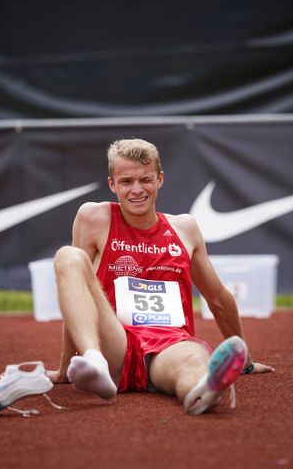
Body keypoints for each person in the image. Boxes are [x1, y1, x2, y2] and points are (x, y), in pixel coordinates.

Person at [47, 138, 274, 414]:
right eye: (127, 181)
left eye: (146, 179)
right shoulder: (94, 217)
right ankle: (94, 361)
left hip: (168, 345)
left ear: (160, 179)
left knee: (193, 361)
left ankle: (202, 391)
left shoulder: (185, 229)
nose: (137, 190)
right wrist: (63, 368)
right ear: (112, 184)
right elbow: (77, 293)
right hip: (113, 344)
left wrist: (245, 360)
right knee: (68, 257)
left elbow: (217, 297)